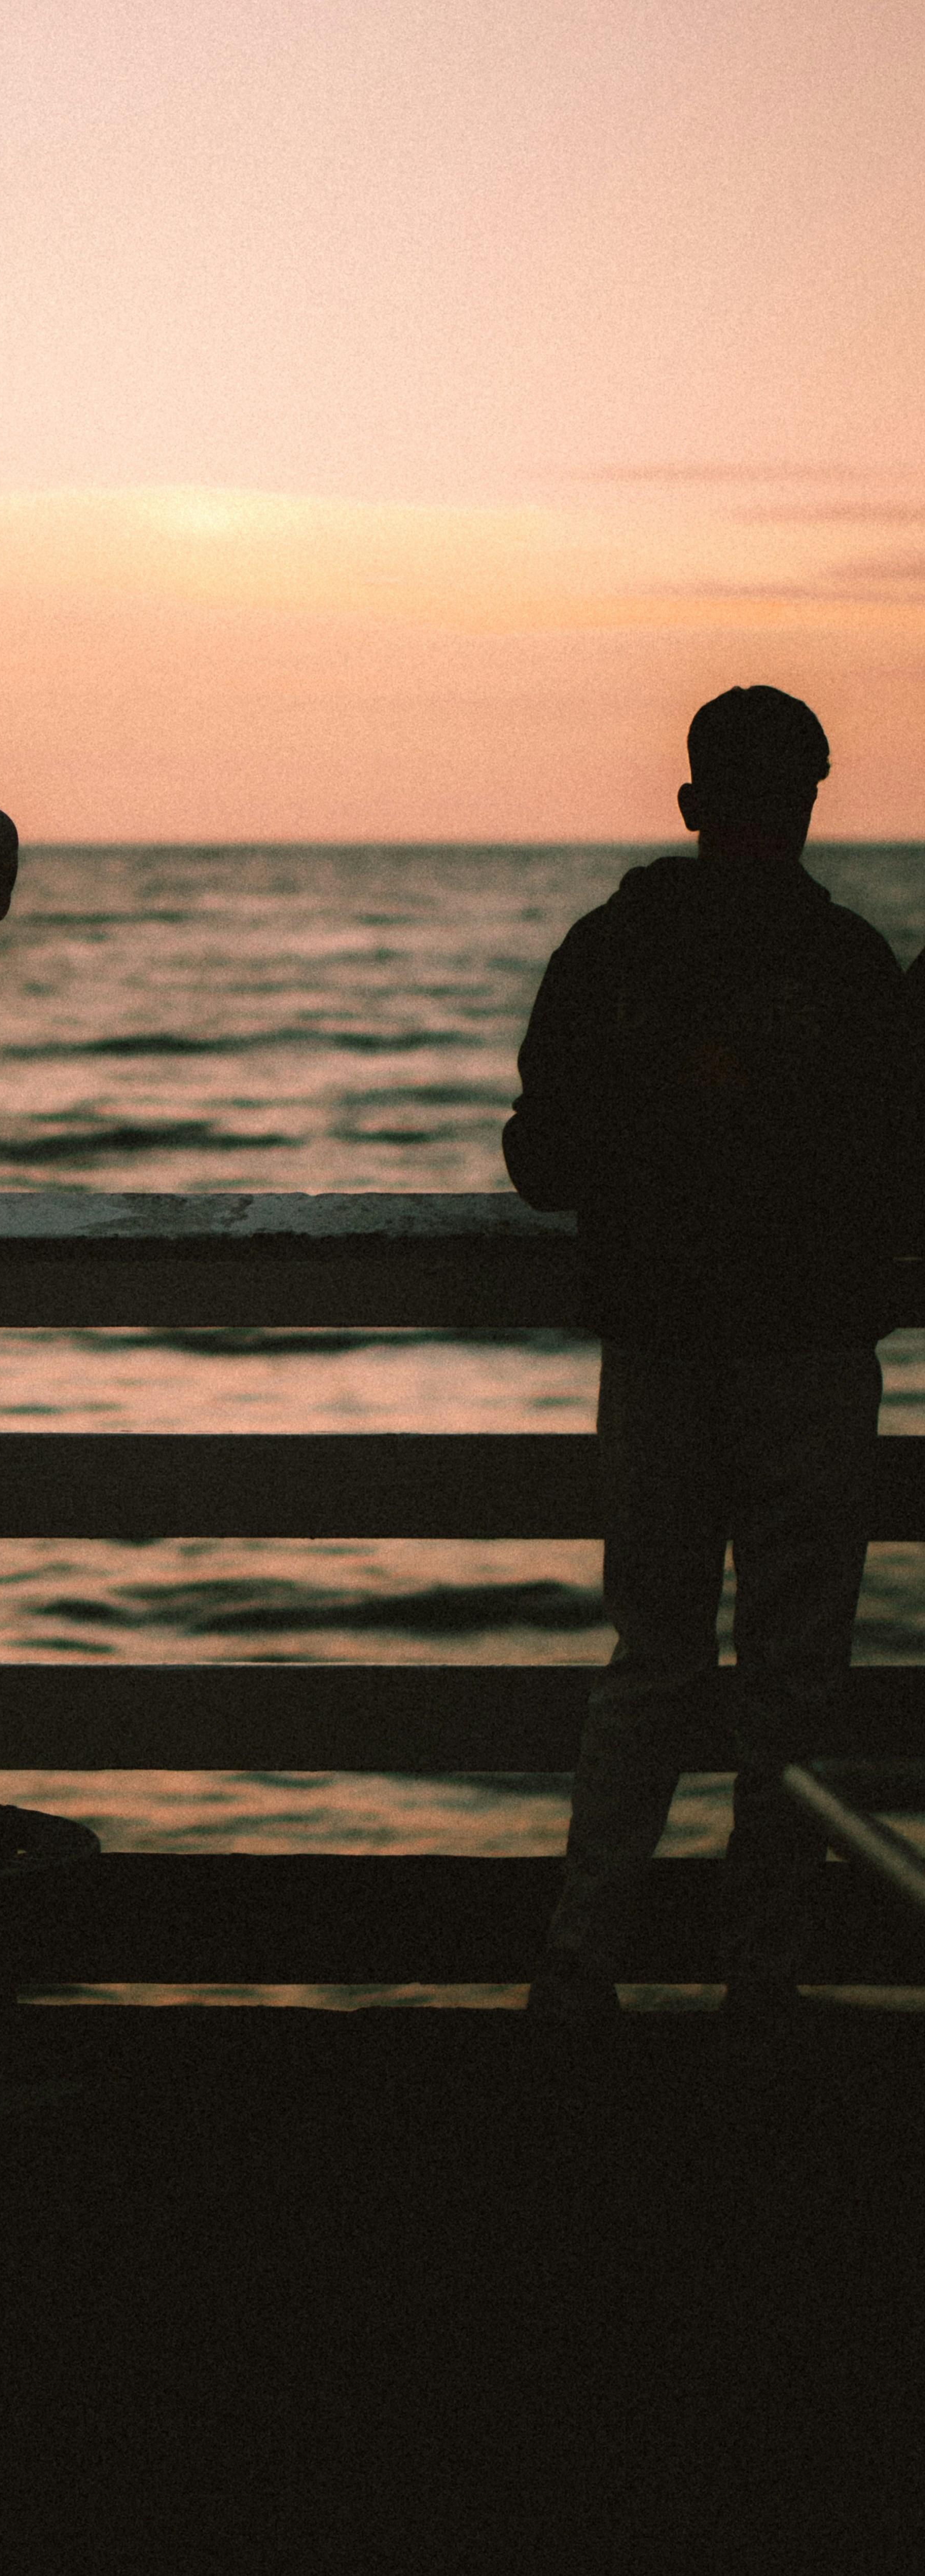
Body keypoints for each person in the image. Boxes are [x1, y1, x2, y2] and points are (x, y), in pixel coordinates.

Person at [503, 688, 904, 2020]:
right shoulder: (850, 966)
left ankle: (582, 1961)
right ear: (809, 803)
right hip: (811, 1359)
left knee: (651, 1664)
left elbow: (542, 1163)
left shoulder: (608, 953)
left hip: (660, 1355)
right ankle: (763, 1980)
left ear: (690, 803)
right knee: (793, 1683)